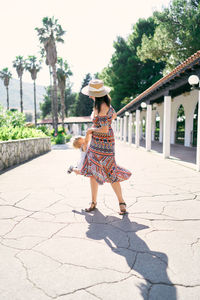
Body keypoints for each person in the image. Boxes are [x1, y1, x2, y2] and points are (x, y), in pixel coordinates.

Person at [80, 79, 132, 215]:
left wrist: (90, 131)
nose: (89, 95)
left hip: (100, 143)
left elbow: (103, 129)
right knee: (106, 171)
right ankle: (121, 203)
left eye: (91, 93)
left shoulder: (100, 107)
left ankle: (94, 202)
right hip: (107, 143)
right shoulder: (106, 105)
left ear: (96, 95)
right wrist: (102, 124)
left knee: (98, 172)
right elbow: (113, 115)